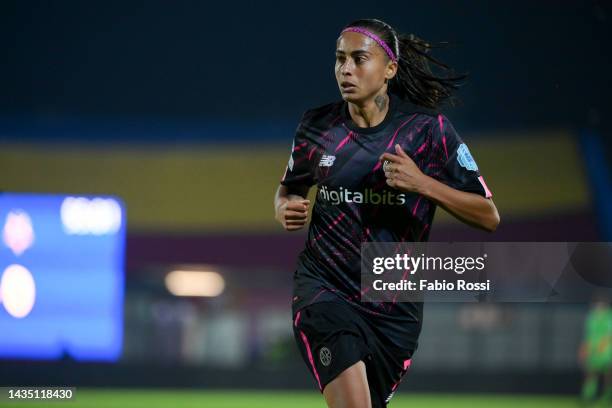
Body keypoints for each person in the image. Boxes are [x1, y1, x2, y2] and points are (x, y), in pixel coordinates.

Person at [273, 18, 500, 408]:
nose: (346, 69)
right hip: (323, 291)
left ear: (390, 68)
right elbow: (289, 187)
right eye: (340, 59)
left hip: (393, 308)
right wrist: (284, 207)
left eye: (360, 58)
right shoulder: (317, 126)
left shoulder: (429, 133)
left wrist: (422, 184)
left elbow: (488, 215)